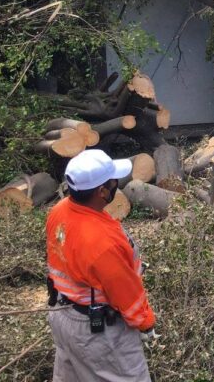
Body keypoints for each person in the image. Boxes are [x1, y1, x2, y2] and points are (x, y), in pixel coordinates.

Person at [46, 149, 157, 381]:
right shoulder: (101, 243)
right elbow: (124, 291)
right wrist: (145, 323)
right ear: (102, 191)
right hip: (96, 331)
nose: (117, 184)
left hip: (63, 313)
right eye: (113, 181)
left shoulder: (59, 211)